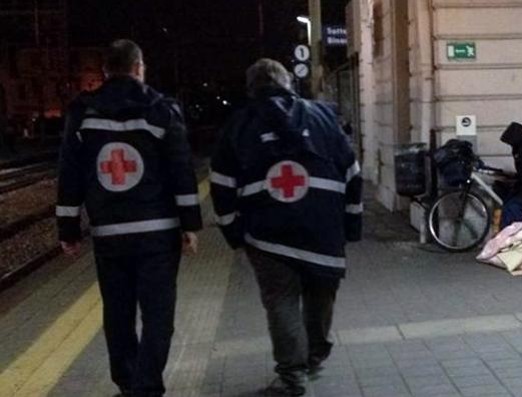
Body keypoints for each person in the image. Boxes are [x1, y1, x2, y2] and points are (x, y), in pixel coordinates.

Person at [56, 39, 202, 397]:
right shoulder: (162, 110)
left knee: (117, 313)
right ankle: (147, 385)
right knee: (158, 315)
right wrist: (191, 225)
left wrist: (68, 230)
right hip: (158, 233)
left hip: (110, 235)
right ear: (139, 67)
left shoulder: (82, 113)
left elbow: (69, 174)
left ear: (106, 71)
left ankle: (126, 381)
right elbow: (181, 170)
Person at [210, 59, 362, 396]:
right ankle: (315, 352)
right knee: (321, 292)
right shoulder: (324, 116)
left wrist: (232, 231)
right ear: (289, 83)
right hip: (323, 229)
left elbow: (220, 184)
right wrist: (352, 223)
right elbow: (352, 171)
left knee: (281, 301)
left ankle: (293, 376)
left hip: (267, 234)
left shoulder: (239, 124)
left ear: (251, 89)